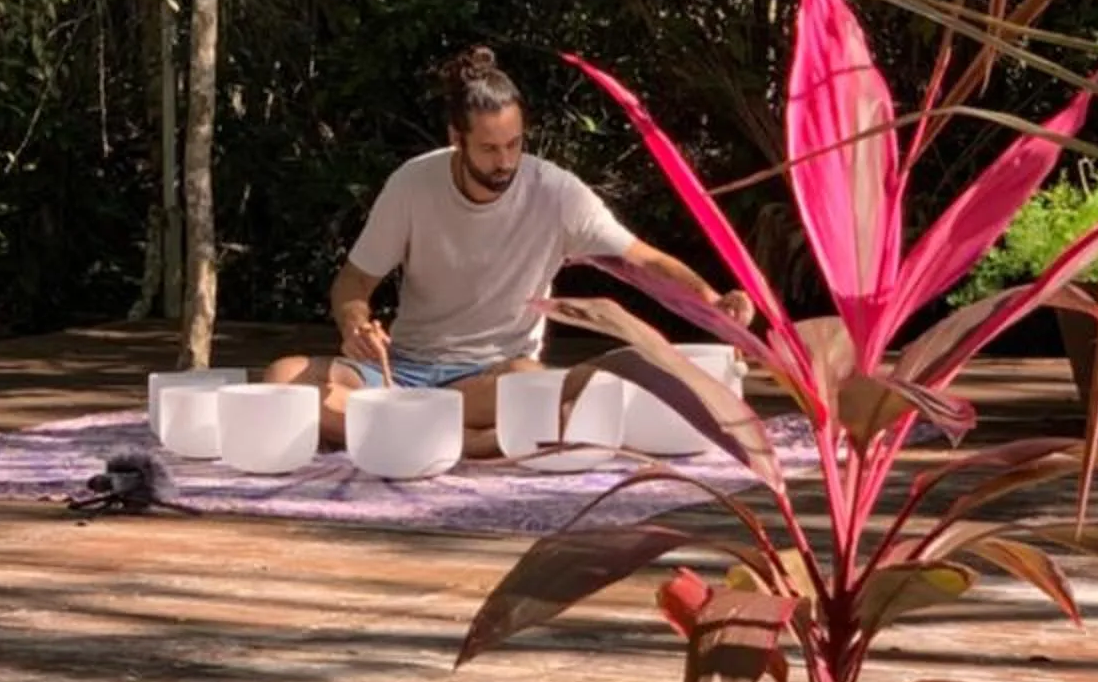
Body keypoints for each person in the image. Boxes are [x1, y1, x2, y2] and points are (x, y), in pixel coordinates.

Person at [266, 44, 750, 456]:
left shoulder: (556, 193)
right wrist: (355, 325)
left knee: (556, 384)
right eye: (490, 149)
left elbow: (642, 258)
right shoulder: (413, 184)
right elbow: (354, 281)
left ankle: (419, 436)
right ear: (456, 139)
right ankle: (475, 443)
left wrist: (712, 300)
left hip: (493, 376)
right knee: (281, 379)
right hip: (404, 373)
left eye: (514, 145)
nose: (505, 163)